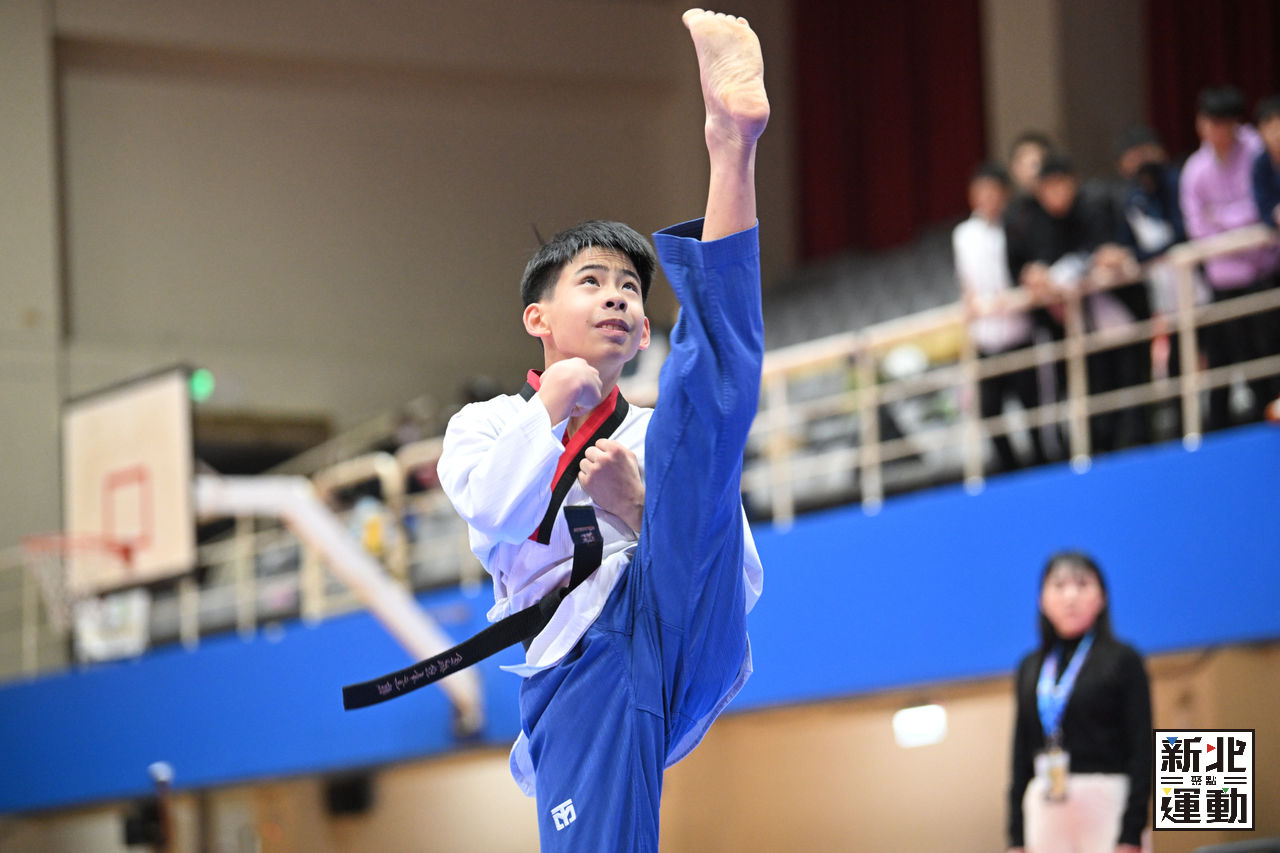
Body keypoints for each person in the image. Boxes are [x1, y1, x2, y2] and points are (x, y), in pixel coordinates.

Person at [435, 9, 768, 851]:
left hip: (684, 632)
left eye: (630, 288)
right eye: (592, 281)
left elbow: (730, 568)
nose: (617, 294)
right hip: (584, 654)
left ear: (644, 332)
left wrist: (643, 505)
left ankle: (731, 145)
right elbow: (495, 512)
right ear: (537, 317)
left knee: (712, 400)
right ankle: (730, 146)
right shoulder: (486, 424)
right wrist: (552, 406)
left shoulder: (658, 432)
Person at [1007, 552, 1152, 853]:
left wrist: (1132, 830)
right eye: (1059, 586)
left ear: (1102, 597)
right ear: (1041, 600)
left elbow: (1143, 749)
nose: (1070, 596)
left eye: (1083, 584)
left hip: (1108, 801)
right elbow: (1020, 754)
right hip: (1045, 799)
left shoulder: (1124, 659)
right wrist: (1016, 837)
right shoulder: (1030, 667)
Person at [1006, 155, 1150, 455]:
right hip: (1083, 328)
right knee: (1098, 407)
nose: (1055, 195)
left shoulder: (1098, 204)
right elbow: (1035, 268)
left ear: (1072, 181)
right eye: (1047, 189)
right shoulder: (1037, 223)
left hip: (1124, 315)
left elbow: (1132, 248)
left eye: (1060, 185)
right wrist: (1035, 275)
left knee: (1136, 395)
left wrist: (1116, 256)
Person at [1179, 85, 1280, 429]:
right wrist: (1238, 227)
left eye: (1222, 123)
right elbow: (1197, 229)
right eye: (1209, 122)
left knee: (1272, 354)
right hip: (1224, 283)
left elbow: (1262, 210)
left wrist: (1223, 220)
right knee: (1241, 360)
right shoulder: (1195, 170)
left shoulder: (1256, 151)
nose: (1215, 131)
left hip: (1265, 274)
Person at [953, 162, 1047, 471]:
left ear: (1004, 194)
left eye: (994, 192)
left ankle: (1042, 462)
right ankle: (1009, 469)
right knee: (989, 411)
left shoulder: (1017, 226)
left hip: (1019, 332)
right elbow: (967, 282)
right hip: (986, 338)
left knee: (1034, 410)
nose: (988, 198)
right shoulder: (963, 235)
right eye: (981, 192)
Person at [1252, 95, 1280, 229]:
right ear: (1260, 132)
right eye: (1272, 129)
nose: (1278, 135)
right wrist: (1275, 214)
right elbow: (1263, 206)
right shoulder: (1261, 165)